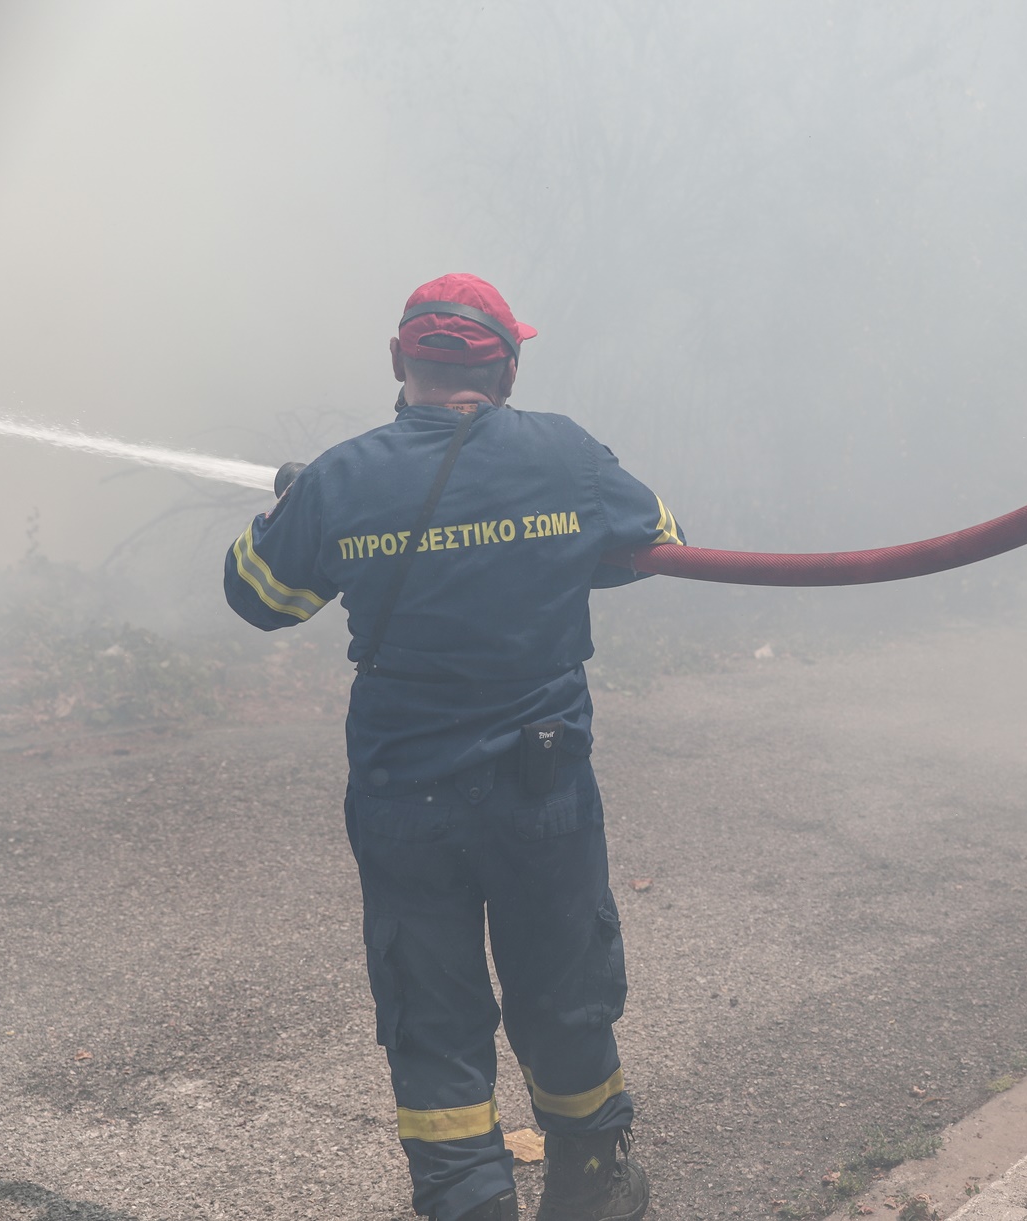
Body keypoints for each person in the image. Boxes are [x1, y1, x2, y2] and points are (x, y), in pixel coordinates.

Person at [224, 274, 683, 1221]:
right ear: (509, 367)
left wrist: (296, 507)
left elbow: (262, 597)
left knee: (433, 1019)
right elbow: (661, 539)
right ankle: (591, 1184)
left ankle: (468, 1204)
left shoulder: (343, 477)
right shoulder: (568, 454)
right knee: (563, 987)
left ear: (401, 363)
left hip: (406, 802)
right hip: (542, 789)